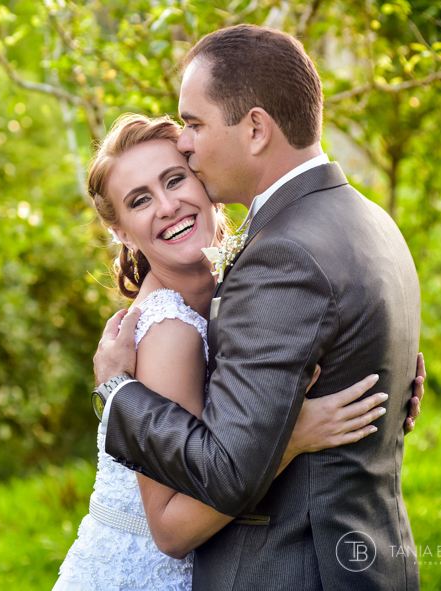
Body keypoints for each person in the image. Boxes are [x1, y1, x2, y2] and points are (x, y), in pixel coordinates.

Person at [93, 25, 423, 590]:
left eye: (193, 128)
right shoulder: (370, 220)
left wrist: (116, 394)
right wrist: (291, 434)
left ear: (254, 128)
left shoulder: (281, 255)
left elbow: (230, 460)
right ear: (120, 230)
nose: (190, 147)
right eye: (141, 198)